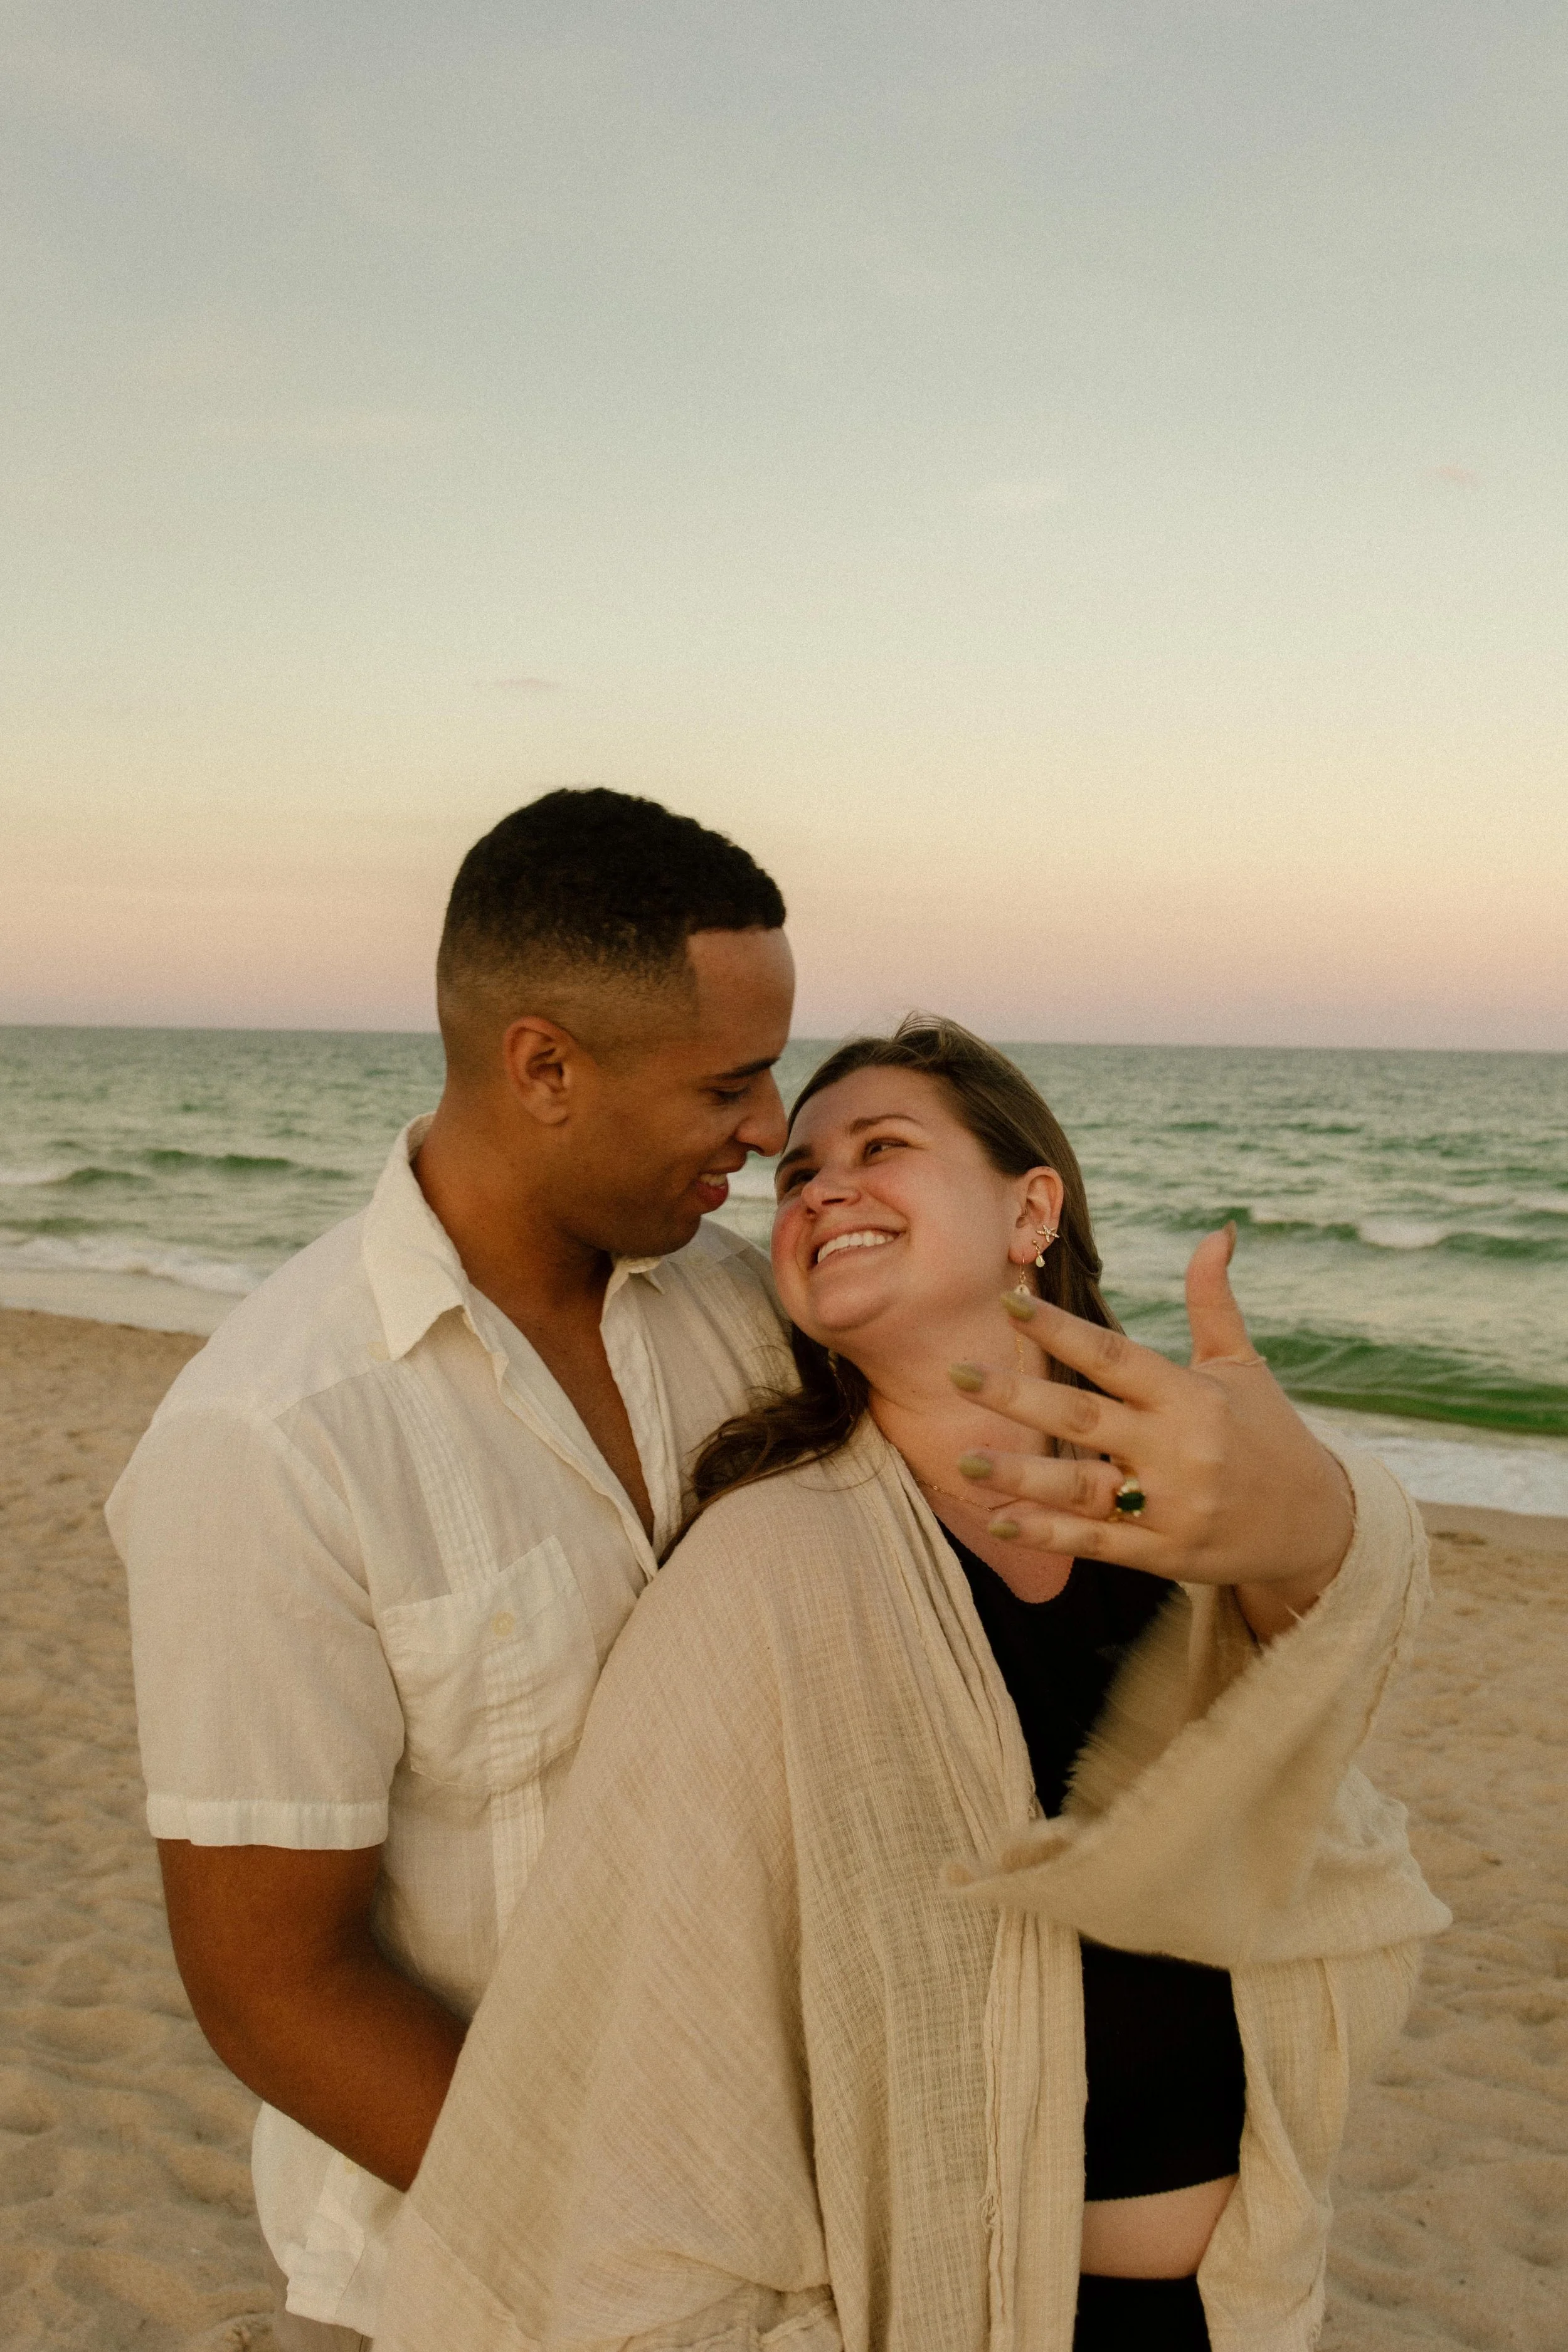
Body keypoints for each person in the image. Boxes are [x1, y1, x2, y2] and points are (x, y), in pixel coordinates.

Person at [376, 1017, 1448, 2352]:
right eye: (798, 1176)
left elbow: (1330, 1671)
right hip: (972, 2309)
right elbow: (663, 2016)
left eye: (881, 1148)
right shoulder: (767, 1564)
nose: (822, 1186)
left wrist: (1322, 1516)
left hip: (1247, 2304)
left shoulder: (1185, 1510)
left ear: (1029, 1208)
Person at [106, 789, 798, 2346]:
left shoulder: (745, 1316)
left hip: (792, 2219)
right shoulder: (273, 1436)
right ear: (543, 1064)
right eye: (731, 1084)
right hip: (488, 2280)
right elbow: (272, 1985)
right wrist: (631, 2247)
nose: (769, 1131)